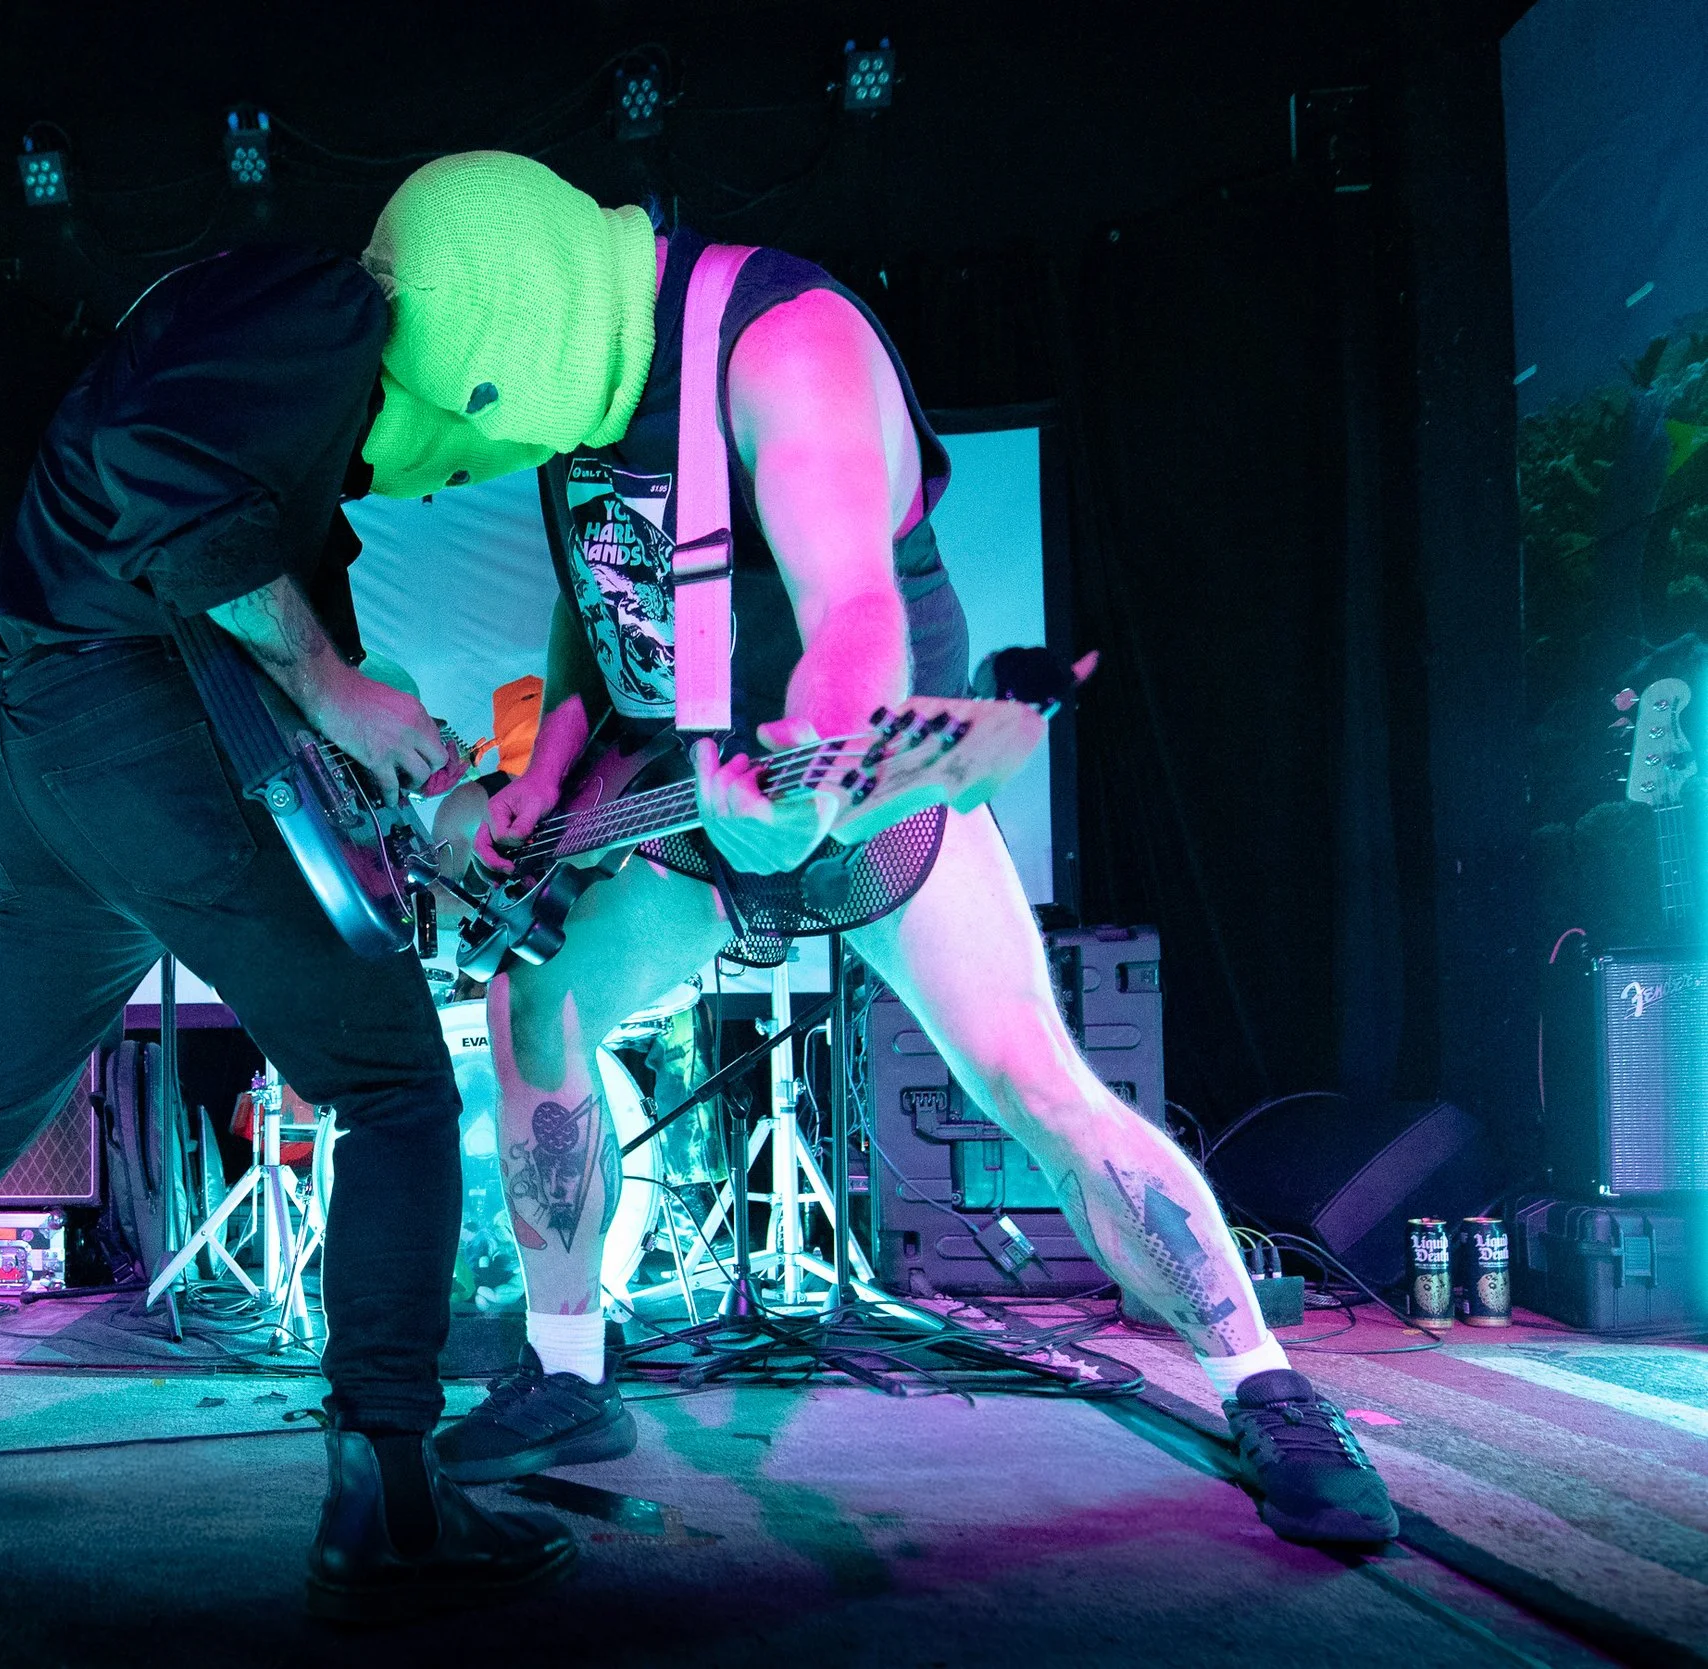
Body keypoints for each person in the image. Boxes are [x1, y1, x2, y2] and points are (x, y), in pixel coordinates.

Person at [355, 153, 1400, 1549]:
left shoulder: (789, 340)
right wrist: (551, 766)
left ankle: (1264, 1388)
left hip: (863, 794)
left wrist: (811, 770)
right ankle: (567, 1369)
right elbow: (599, 596)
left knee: (1040, 1087)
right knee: (532, 1003)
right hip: (687, 802)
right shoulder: (579, 404)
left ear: (525, 334)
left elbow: (855, 612)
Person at [0, 243, 576, 1620]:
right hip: (116, 738)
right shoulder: (326, 307)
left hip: (20, 747)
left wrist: (412, 772)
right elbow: (227, 571)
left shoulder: (227, 439)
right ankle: (393, 1494)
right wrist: (340, 695)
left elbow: (285, 676)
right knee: (394, 1087)